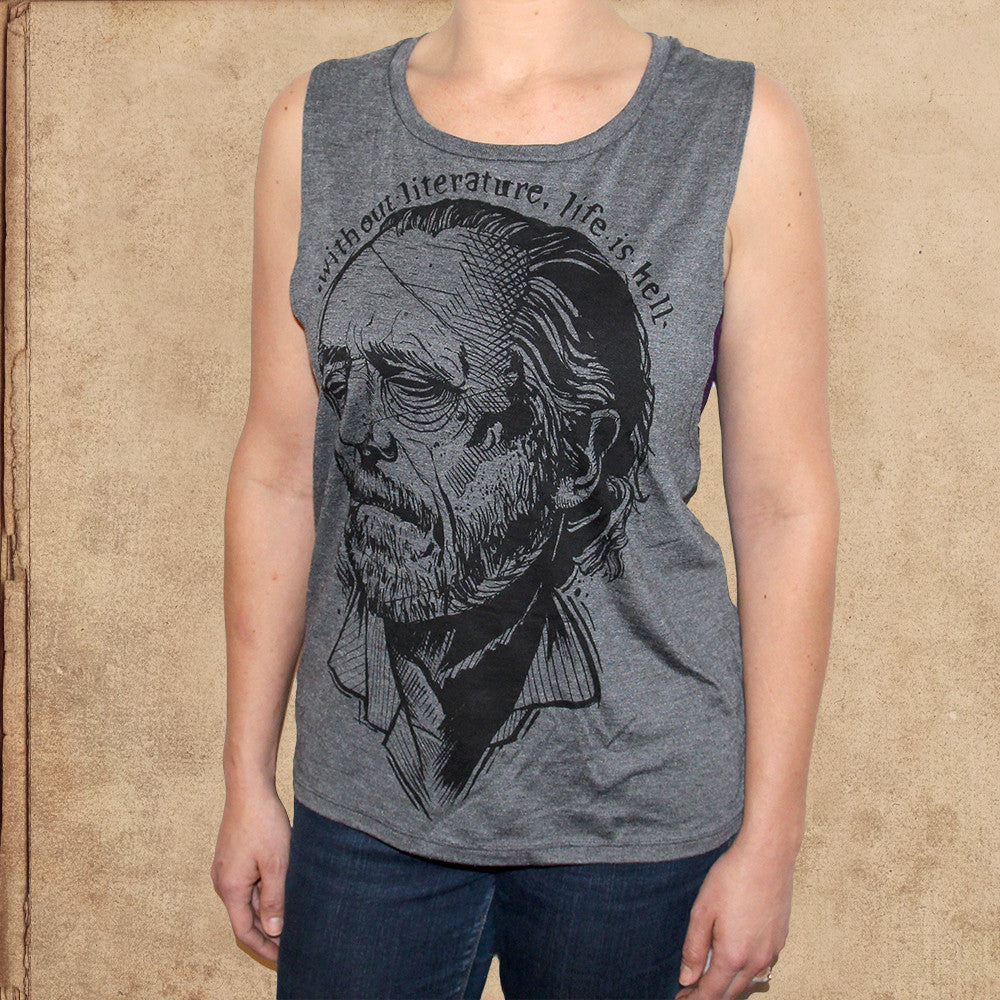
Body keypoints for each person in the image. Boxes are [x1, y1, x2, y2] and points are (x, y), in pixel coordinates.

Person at [211, 1, 838, 998]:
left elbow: (785, 505)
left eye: (417, 383)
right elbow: (280, 469)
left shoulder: (734, 126)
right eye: (347, 377)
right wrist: (245, 775)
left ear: (581, 453)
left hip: (638, 821)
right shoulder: (318, 122)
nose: (363, 431)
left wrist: (773, 834)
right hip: (364, 813)